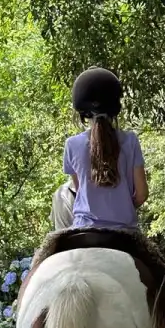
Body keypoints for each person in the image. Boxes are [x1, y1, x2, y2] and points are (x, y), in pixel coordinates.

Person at [62, 67, 148, 229]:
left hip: (84, 228)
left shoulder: (71, 144)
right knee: (155, 255)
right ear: (115, 107)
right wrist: (122, 208)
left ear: (82, 111)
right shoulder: (130, 140)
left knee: (45, 252)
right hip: (124, 231)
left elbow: (81, 191)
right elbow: (142, 194)